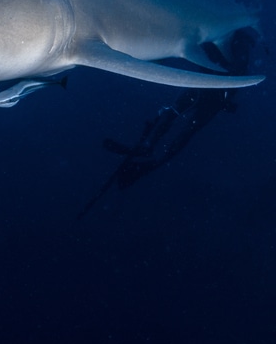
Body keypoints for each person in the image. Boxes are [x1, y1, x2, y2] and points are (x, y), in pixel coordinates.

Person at [78, 28, 258, 218]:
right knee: (179, 119)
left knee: (185, 124)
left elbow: (239, 70)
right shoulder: (225, 37)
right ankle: (150, 150)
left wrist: (226, 96)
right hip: (204, 85)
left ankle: (152, 156)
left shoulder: (238, 43)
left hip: (212, 90)